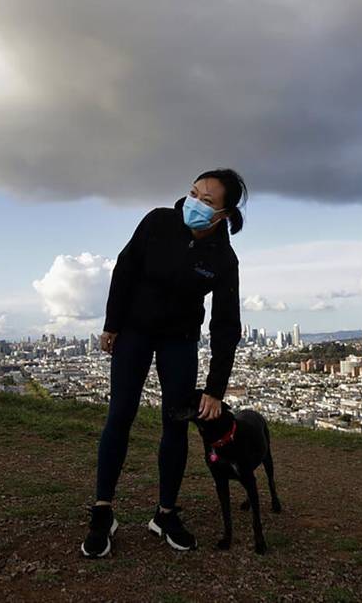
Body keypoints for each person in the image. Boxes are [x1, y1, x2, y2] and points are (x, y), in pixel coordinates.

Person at [80, 168, 247, 558]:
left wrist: (215, 388)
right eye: (193, 193)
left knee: (175, 424)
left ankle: (166, 513)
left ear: (223, 214)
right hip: (134, 332)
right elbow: (125, 268)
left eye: (206, 201)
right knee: (119, 414)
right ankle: (103, 511)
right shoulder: (158, 221)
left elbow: (226, 325)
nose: (194, 203)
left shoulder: (223, 258)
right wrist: (112, 324)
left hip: (180, 341)